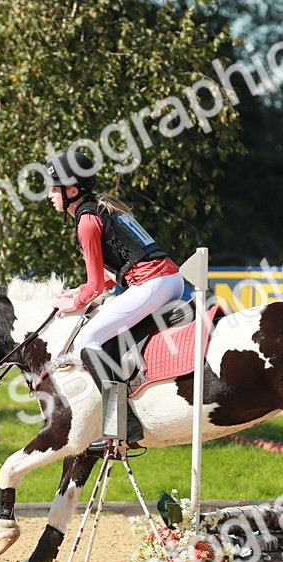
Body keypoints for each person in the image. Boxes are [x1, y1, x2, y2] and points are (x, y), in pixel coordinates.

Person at [44, 149, 185, 453]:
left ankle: (122, 423)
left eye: (55, 189)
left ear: (72, 191)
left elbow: (95, 286)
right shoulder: (100, 209)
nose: (50, 195)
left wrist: (75, 302)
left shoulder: (86, 221)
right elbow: (111, 274)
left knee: (87, 340)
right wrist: (76, 291)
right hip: (168, 280)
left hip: (153, 283)